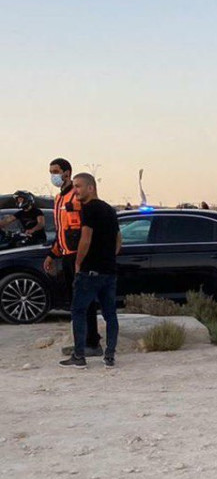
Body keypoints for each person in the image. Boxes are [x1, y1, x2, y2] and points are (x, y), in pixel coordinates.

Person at [59, 173, 121, 369]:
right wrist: (109, 257)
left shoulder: (89, 209)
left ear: (90, 188)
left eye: (78, 186)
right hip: (109, 271)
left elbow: (85, 239)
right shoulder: (109, 209)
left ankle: (79, 356)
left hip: (90, 272)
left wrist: (78, 263)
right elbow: (119, 239)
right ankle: (110, 356)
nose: (75, 190)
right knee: (110, 314)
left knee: (78, 311)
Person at [42, 158, 102, 357]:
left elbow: (87, 227)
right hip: (66, 256)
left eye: (56, 171)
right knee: (75, 303)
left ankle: (92, 343)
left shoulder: (77, 197)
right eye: (51, 172)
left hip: (80, 256)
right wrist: (52, 254)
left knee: (85, 301)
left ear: (67, 172)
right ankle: (80, 343)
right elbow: (61, 231)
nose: (53, 175)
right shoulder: (59, 198)